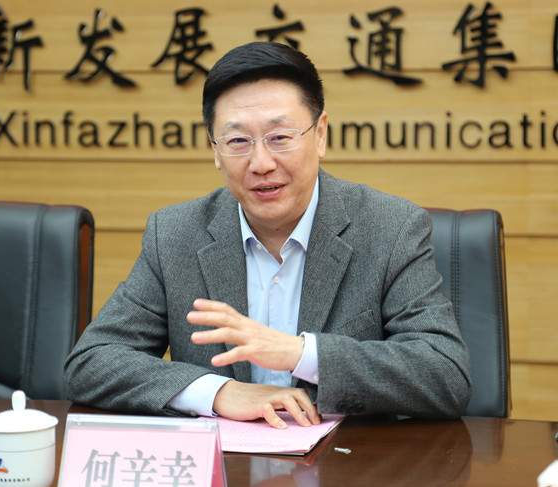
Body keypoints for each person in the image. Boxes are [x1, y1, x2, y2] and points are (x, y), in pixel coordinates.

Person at [64, 41, 472, 429]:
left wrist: (301, 354)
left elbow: (446, 374)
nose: (261, 163)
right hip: (225, 465)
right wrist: (218, 391)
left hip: (345, 464)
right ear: (215, 150)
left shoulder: (390, 227)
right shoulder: (175, 234)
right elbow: (92, 362)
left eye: (280, 138)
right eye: (238, 141)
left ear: (320, 134)